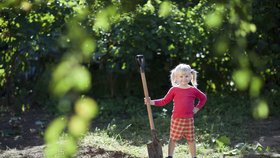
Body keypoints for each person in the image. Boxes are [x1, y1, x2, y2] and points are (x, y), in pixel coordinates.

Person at [144, 64, 207, 158]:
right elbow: (163, 101)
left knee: (191, 140)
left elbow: (203, 98)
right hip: (176, 119)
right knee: (173, 139)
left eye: (186, 76)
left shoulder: (193, 90)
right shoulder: (174, 89)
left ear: (190, 76)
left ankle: (194, 156)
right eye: (181, 76)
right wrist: (151, 102)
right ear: (176, 78)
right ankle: (170, 156)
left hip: (189, 120)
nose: (184, 79)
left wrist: (197, 108)